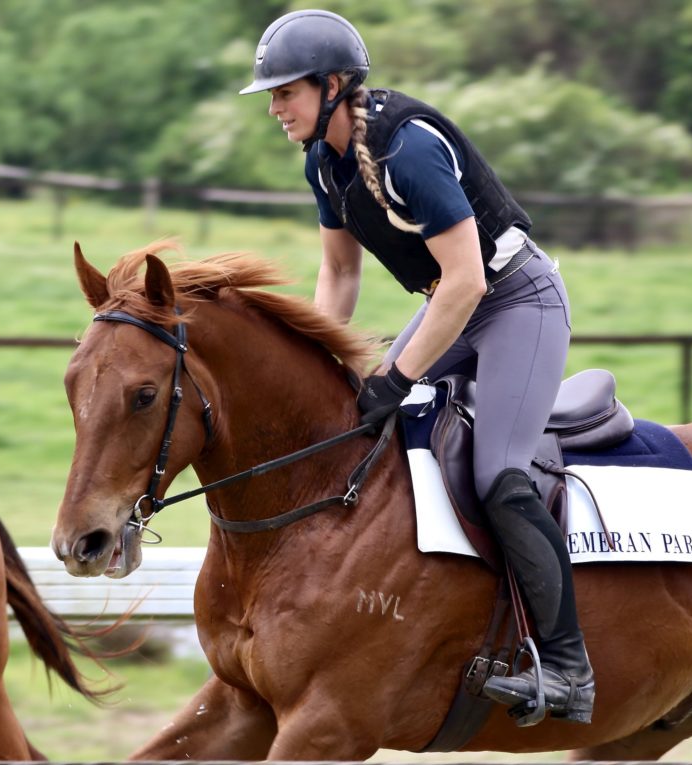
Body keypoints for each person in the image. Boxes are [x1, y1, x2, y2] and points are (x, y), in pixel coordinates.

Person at [239, 10, 593, 725]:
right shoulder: (324, 161)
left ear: (332, 86)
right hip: (453, 305)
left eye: (285, 93)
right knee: (360, 430)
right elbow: (338, 275)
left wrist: (397, 378)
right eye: (272, 96)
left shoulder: (409, 151)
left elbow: (466, 282)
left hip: (514, 300)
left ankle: (568, 666)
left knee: (498, 473)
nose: (275, 108)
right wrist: (323, 369)